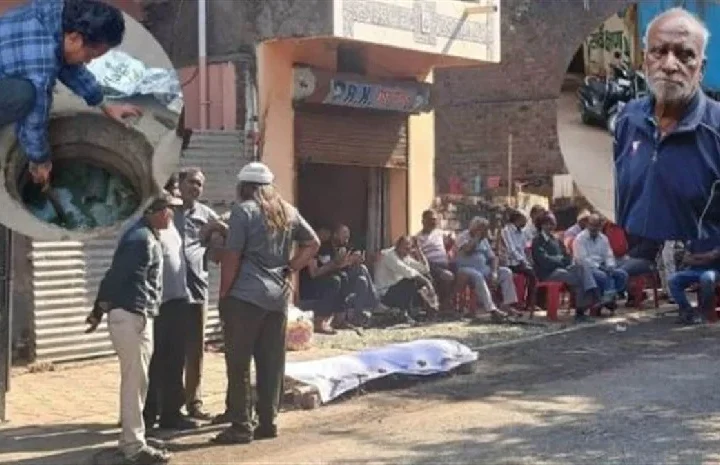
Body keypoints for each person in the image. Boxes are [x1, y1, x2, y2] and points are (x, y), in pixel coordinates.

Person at [212, 162, 320, 444]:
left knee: (239, 363)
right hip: (278, 299)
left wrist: (224, 294)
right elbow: (313, 243)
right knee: (271, 363)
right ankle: (268, 422)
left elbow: (232, 256)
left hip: (245, 297)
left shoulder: (243, 211)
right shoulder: (288, 211)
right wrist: (290, 267)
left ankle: (241, 426)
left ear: (244, 187)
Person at [0, 0, 142, 186]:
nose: (88, 62)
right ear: (74, 38)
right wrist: (40, 160)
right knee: (26, 95)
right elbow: (34, 119)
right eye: (90, 56)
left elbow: (70, 65)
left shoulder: (58, 15)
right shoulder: (40, 64)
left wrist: (104, 104)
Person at [86, 192, 181, 465]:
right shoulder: (140, 239)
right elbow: (116, 277)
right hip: (132, 316)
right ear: (156, 211)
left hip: (134, 315)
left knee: (137, 382)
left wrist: (99, 311)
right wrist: (98, 311)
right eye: (169, 210)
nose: (172, 215)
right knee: (134, 383)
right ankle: (132, 446)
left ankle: (133, 438)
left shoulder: (145, 235)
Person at [615, 7, 720, 241]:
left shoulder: (715, 130)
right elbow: (622, 199)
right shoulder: (627, 118)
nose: (670, 65)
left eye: (685, 55)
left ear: (701, 68)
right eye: (659, 52)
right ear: (645, 61)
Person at [143, 186, 199, 432]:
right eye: (168, 207)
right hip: (158, 306)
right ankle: (147, 415)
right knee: (153, 362)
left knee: (175, 361)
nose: (172, 212)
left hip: (178, 303)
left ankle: (171, 414)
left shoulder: (171, 227)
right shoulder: (144, 232)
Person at [174, 167, 226, 421]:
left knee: (195, 351)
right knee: (168, 349)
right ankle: (168, 404)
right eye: (192, 182)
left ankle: (194, 403)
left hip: (196, 290)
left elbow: (222, 239)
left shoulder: (207, 215)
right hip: (169, 292)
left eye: (200, 184)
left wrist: (217, 236)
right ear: (180, 183)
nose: (195, 188)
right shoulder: (167, 211)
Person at [305, 224, 379, 333]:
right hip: (318, 281)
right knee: (337, 280)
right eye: (344, 235)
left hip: (338, 276)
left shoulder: (345, 248)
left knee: (360, 276)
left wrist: (354, 261)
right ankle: (320, 321)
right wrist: (337, 263)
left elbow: (341, 266)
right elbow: (315, 273)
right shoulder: (323, 248)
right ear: (335, 235)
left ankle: (346, 318)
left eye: (348, 236)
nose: (346, 239)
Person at [531, 212, 599, 322]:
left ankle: (591, 290)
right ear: (541, 225)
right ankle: (584, 307)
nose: (549, 226)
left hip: (562, 269)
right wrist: (560, 260)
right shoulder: (537, 241)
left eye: (552, 224)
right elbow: (544, 261)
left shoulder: (556, 239)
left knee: (581, 268)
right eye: (546, 224)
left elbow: (567, 256)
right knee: (578, 279)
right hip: (547, 273)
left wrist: (560, 260)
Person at [456, 216, 519, 323]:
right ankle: (492, 310)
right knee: (478, 276)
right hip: (465, 269)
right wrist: (476, 238)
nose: (487, 232)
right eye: (484, 230)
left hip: (483, 269)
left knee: (506, 272)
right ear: (476, 229)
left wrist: (494, 272)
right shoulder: (463, 236)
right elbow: (467, 250)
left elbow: (493, 258)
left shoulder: (484, 240)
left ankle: (507, 305)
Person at [374, 235, 439, 321]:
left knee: (427, 276)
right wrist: (427, 283)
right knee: (413, 280)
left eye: (409, 248)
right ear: (397, 246)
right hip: (384, 294)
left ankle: (430, 309)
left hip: (396, 290)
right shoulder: (388, 255)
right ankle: (405, 311)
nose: (407, 251)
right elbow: (408, 272)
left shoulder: (405, 256)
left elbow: (425, 269)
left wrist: (419, 251)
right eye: (405, 248)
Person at [573, 214, 629, 310]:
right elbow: (582, 259)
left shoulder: (603, 238)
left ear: (600, 226)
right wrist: (600, 267)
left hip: (603, 266)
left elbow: (608, 255)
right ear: (587, 225)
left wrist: (610, 266)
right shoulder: (580, 239)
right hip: (587, 268)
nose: (594, 228)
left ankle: (607, 298)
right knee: (603, 276)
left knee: (622, 275)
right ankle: (606, 299)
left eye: (596, 226)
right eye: (592, 225)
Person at [669, 238, 720, 324]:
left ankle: (704, 311)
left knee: (706, 278)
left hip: (714, 270)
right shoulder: (694, 239)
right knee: (673, 279)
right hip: (694, 271)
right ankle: (687, 311)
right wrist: (705, 259)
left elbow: (713, 256)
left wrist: (694, 257)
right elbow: (686, 259)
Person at [415, 210, 455, 311]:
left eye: (435, 219)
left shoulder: (439, 233)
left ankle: (447, 304)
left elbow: (451, 236)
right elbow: (417, 256)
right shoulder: (418, 237)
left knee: (462, 272)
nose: (433, 222)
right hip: (430, 265)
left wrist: (452, 237)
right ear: (423, 221)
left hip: (445, 264)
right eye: (430, 219)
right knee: (447, 276)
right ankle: (444, 305)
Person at [500, 210, 537, 311]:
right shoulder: (506, 231)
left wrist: (528, 261)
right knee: (532, 274)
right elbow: (511, 249)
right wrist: (523, 261)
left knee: (535, 271)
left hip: (520, 262)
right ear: (517, 219)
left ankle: (529, 303)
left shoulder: (522, 232)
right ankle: (526, 303)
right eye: (524, 220)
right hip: (510, 262)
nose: (525, 222)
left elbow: (524, 248)